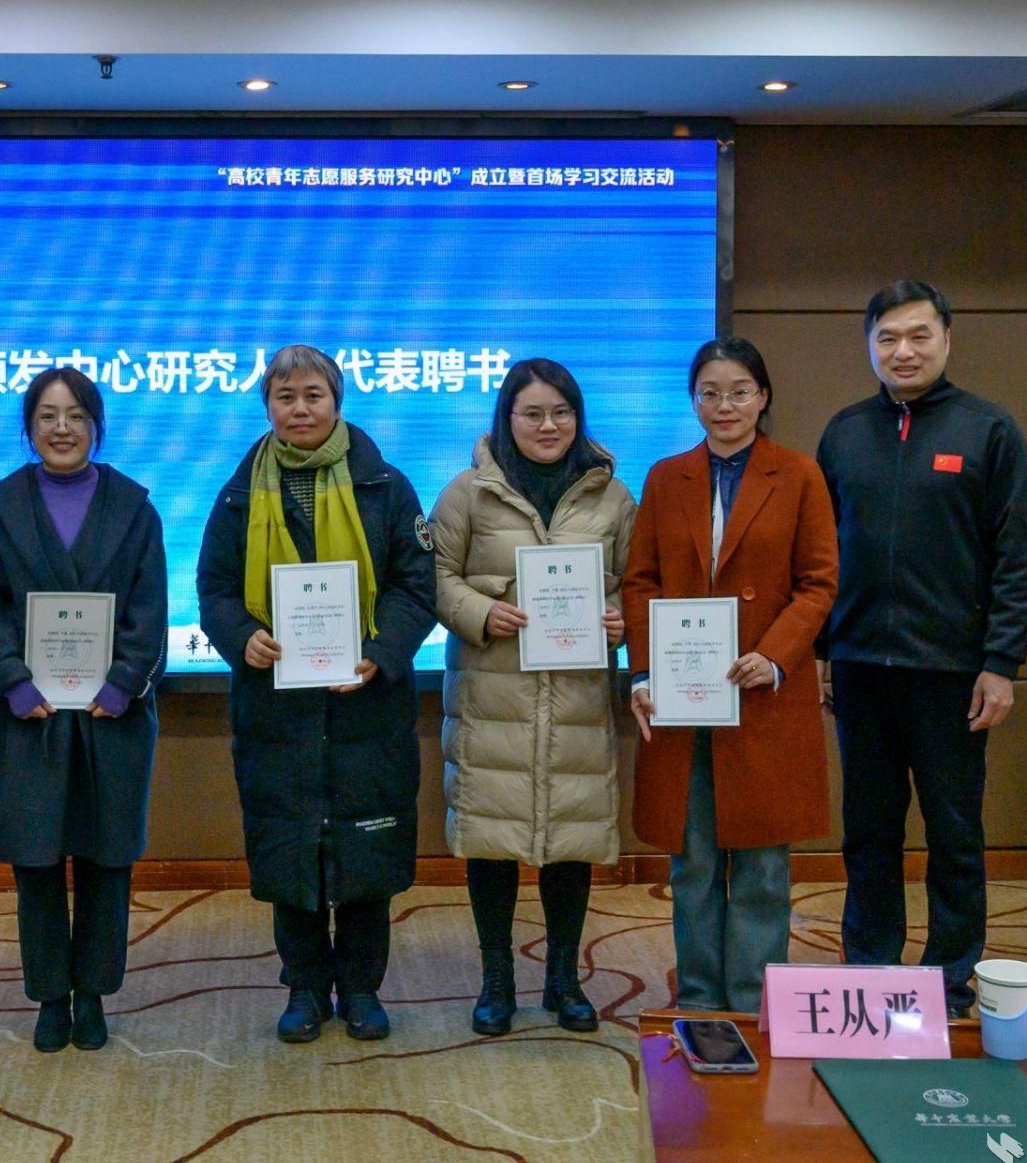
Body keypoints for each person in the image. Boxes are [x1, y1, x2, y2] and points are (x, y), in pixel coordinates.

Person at [197, 344, 437, 1043]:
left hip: (366, 702)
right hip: (277, 707)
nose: (300, 410)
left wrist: (380, 653)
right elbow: (214, 588)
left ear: (337, 402)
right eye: (285, 397)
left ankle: (361, 988)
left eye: (313, 396)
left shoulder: (385, 486)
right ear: (267, 406)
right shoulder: (240, 494)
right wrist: (242, 636)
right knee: (290, 845)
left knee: (365, 850)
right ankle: (304, 987)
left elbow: (415, 586)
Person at [818, 281, 1027, 1016]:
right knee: (868, 832)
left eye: (918, 335)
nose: (903, 351)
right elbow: (820, 555)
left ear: (947, 339)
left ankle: (948, 974)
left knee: (953, 833)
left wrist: (1001, 663)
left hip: (953, 674)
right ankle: (872, 969)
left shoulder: (989, 430)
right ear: (869, 346)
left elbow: (1017, 557)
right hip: (859, 668)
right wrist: (821, 651)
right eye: (887, 338)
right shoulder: (845, 432)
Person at [623, 338, 838, 1013]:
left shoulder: (799, 474)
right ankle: (697, 998)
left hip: (765, 694)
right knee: (692, 863)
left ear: (763, 396)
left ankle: (751, 1003)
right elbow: (640, 581)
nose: (725, 406)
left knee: (762, 868)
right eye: (710, 393)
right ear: (693, 400)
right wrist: (644, 671)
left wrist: (773, 655)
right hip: (684, 699)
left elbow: (819, 582)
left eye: (739, 391)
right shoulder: (667, 477)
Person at [0, 368, 167, 1053]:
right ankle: (51, 995)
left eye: (76, 415)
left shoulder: (134, 509)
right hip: (32, 717)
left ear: (96, 426)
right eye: (47, 416)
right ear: (29, 428)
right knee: (37, 860)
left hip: (112, 715)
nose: (61, 428)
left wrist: (123, 684)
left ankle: (94, 994)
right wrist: (15, 684)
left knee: (107, 862)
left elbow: (149, 610)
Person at [431, 359, 637, 1036]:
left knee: (571, 842)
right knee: (492, 843)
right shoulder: (468, 493)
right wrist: (480, 612)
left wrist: (621, 619)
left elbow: (635, 581)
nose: (548, 425)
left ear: (577, 416)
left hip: (576, 698)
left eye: (561, 412)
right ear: (507, 419)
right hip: (493, 695)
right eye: (532, 413)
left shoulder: (612, 497)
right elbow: (435, 576)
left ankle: (563, 979)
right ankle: (496, 980)